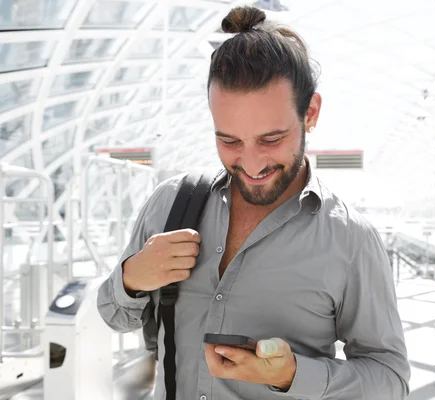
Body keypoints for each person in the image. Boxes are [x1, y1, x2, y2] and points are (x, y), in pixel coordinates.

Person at [97, 5, 410, 399]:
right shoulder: (170, 204)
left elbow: (391, 378)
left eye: (271, 139)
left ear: (310, 113)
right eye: (228, 141)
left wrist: (292, 375)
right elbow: (113, 314)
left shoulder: (350, 240)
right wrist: (131, 278)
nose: (251, 163)